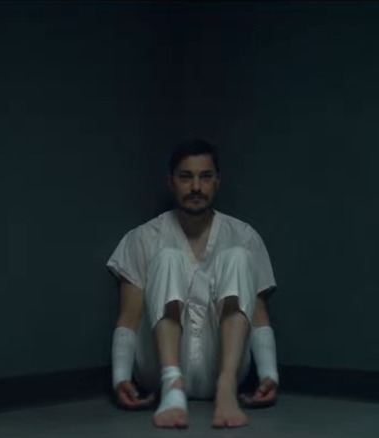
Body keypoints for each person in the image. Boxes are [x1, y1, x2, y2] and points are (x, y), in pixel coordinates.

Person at [106, 139, 279, 429]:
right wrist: (120, 377)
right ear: (171, 182)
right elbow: (129, 317)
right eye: (186, 177)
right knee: (168, 257)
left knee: (237, 256)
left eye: (205, 176)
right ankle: (172, 385)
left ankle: (226, 390)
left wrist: (269, 374)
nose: (196, 187)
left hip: (226, 365)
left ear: (217, 181)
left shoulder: (244, 235)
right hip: (157, 368)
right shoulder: (143, 237)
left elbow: (258, 314)